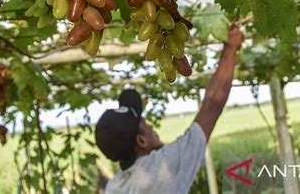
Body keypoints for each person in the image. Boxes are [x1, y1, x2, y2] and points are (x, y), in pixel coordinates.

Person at [95, 26, 243, 193]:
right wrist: (230, 48)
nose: (151, 127)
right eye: (145, 124)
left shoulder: (113, 187)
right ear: (141, 141)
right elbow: (212, 104)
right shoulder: (161, 169)